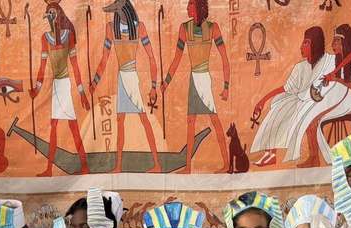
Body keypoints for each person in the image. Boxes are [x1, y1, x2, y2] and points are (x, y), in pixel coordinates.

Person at [89, 0, 162, 173]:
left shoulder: (139, 27)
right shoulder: (111, 28)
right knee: (120, 121)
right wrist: (95, 81)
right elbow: (104, 58)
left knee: (143, 119)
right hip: (122, 78)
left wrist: (153, 86)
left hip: (132, 78)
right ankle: (119, 165)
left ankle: (157, 164)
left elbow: (151, 58)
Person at [161, 0, 231, 173]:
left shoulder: (213, 28)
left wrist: (226, 86)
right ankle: (188, 167)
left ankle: (227, 164)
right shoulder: (184, 28)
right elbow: (177, 59)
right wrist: (166, 82)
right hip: (194, 80)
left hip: (204, 80)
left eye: (191, 4)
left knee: (215, 121)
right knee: (190, 123)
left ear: (199, 7)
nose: (187, 7)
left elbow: (224, 58)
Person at [250, 27, 335, 167]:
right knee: (278, 106)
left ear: (315, 44)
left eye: (306, 42)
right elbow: (286, 88)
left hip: (322, 102)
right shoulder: (300, 67)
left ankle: (314, 157)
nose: (301, 46)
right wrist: (263, 100)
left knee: (300, 112)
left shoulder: (328, 61)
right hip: (302, 101)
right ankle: (270, 154)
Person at [32, 1, 90, 176]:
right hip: (57, 85)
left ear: (58, 15)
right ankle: (50, 169)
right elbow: (42, 67)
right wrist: (37, 89)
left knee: (72, 127)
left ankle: (84, 166)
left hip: (65, 84)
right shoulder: (45, 38)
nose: (50, 16)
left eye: (53, 13)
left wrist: (82, 93)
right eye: (48, 13)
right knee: (56, 126)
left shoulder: (68, 35)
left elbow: (75, 66)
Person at [309, 24, 351, 165]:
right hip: (337, 97)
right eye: (333, 40)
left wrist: (335, 79)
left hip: (348, 100)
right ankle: (316, 158)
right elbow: (336, 82)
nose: (333, 44)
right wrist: (328, 81)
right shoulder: (338, 59)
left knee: (317, 121)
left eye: (337, 40)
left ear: (345, 42)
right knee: (310, 120)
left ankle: (332, 159)